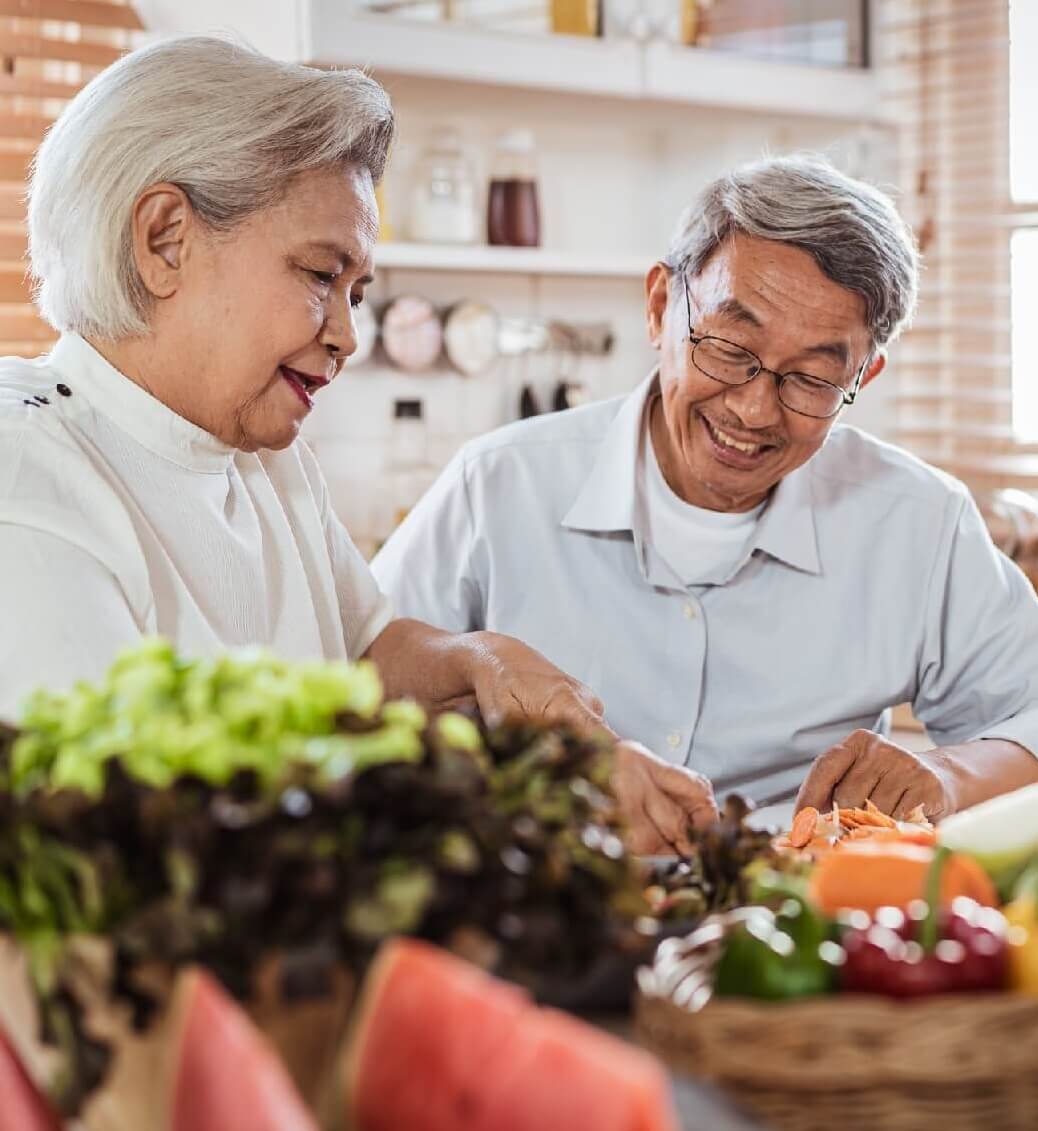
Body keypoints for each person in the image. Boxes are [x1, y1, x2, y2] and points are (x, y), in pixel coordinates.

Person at [0, 36, 714, 853]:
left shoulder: (263, 455)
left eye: (357, 291)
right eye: (317, 275)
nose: (347, 334)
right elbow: (125, 833)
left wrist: (478, 657)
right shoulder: (26, 469)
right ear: (166, 239)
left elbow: (365, 654)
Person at [373, 154, 1038, 821]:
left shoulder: (917, 521)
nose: (753, 411)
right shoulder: (497, 483)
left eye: (810, 379)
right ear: (660, 305)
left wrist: (948, 774)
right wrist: (476, 663)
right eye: (728, 348)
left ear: (859, 381)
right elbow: (355, 676)